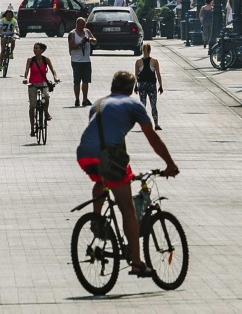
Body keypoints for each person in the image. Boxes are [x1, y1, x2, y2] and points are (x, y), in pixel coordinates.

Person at [77, 71, 179, 278]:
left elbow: (106, 135)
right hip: (109, 155)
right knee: (128, 209)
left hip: (85, 154)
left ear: (112, 86)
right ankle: (137, 263)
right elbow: (152, 138)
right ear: (132, 89)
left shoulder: (96, 104)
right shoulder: (135, 105)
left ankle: (97, 219)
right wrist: (169, 164)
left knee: (103, 179)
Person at [24, 42, 58, 124]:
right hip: (33, 84)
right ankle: (32, 128)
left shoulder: (46, 60)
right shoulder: (30, 60)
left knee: (45, 97)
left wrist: (55, 77)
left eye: (37, 48)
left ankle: (46, 112)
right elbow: (26, 71)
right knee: (32, 105)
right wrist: (25, 78)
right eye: (34, 48)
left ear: (42, 50)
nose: (34, 50)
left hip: (43, 83)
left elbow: (53, 70)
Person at [134, 44, 165, 129]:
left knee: (143, 105)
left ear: (142, 50)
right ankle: (156, 124)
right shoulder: (154, 61)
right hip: (152, 85)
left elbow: (136, 75)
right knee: (153, 105)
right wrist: (161, 85)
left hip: (142, 85)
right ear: (150, 50)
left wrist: (135, 86)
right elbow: (158, 74)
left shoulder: (138, 62)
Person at [68, 17, 97, 106]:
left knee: (86, 80)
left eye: (84, 24)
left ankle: (85, 99)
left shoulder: (87, 31)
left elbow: (95, 41)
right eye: (81, 25)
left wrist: (90, 39)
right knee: (77, 81)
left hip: (86, 60)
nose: (82, 26)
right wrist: (80, 44)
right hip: (76, 61)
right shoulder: (72, 34)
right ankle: (77, 99)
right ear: (77, 24)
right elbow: (71, 47)